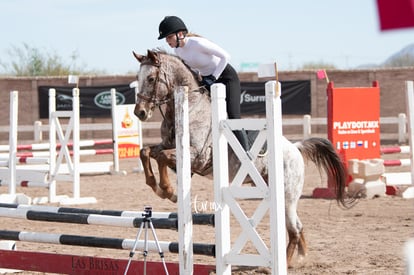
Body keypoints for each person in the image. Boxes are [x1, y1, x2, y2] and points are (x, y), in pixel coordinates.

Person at [157, 15, 249, 151]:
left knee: (232, 115)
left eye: (169, 37)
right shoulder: (178, 50)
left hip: (226, 77)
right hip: (208, 80)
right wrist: (200, 76)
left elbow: (225, 56)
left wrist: (213, 76)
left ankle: (247, 151)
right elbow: (193, 66)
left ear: (180, 34)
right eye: (166, 38)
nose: (167, 41)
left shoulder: (197, 43)